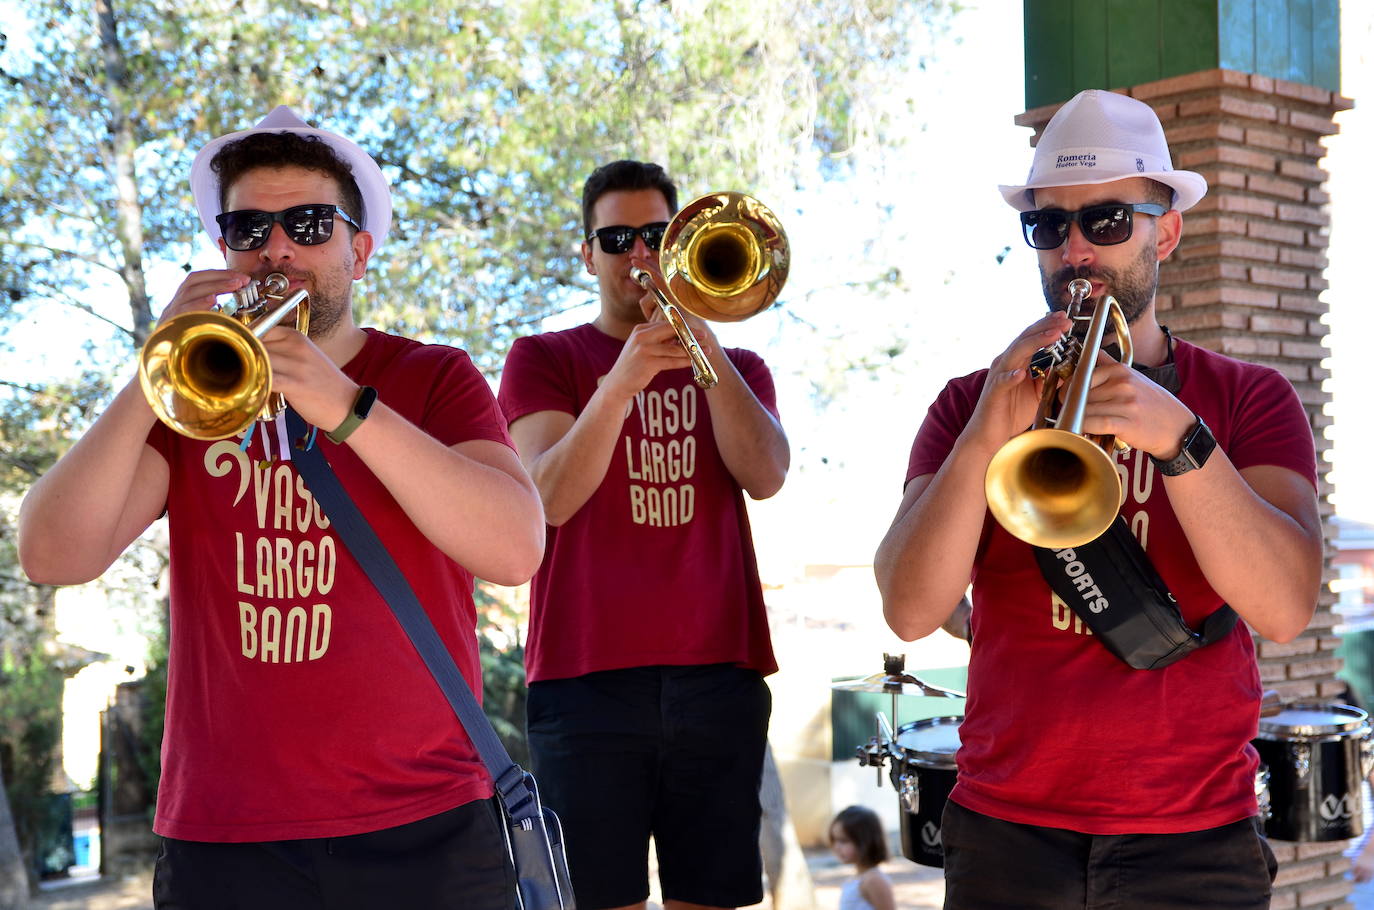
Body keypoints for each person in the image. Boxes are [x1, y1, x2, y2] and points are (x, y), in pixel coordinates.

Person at [17, 106, 544, 909]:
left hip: (429, 826)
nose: (277, 248)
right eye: (247, 227)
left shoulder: (435, 377)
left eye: (307, 222)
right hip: (226, 837)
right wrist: (156, 371)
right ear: (224, 249)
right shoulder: (193, 400)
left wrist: (345, 406)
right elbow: (51, 555)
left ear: (358, 251)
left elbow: (514, 550)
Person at [874, 89, 1323, 910]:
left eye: (1109, 221)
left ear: (1168, 229)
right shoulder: (967, 403)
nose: (1076, 249)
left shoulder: (1249, 399)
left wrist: (1182, 441)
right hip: (1005, 833)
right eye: (1049, 227)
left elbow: (1286, 607)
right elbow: (909, 609)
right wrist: (985, 433)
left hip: (1195, 840)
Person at [496, 159, 788, 910]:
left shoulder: (741, 363)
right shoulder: (545, 359)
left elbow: (766, 474)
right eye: (617, 237)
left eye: (657, 235)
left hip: (719, 673)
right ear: (586, 254)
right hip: (583, 680)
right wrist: (622, 380)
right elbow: (548, 499)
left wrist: (705, 345)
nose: (639, 257)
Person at [828, 806, 896, 910]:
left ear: (865, 841)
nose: (836, 847)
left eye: (843, 841)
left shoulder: (874, 880)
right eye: (834, 840)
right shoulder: (858, 878)